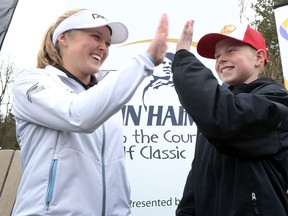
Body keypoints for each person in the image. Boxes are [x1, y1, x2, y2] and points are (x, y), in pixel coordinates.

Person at [11, 9, 168, 216]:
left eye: (108, 43)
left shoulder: (102, 98)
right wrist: (144, 61)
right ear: (63, 38)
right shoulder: (31, 81)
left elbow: (115, 173)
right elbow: (78, 115)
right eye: (96, 37)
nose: (103, 47)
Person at [172, 20, 288, 215]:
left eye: (231, 50)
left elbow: (226, 120)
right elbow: (199, 174)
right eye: (217, 55)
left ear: (258, 57)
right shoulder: (221, 105)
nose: (221, 59)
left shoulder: (278, 101)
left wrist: (184, 59)